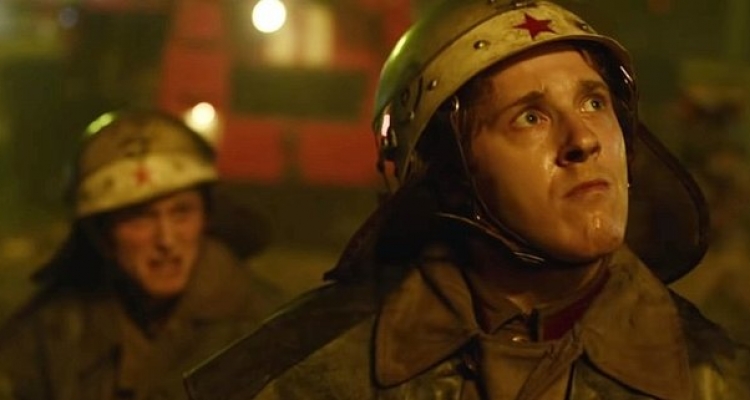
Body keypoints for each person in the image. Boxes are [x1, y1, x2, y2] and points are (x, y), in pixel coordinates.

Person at [185, 1, 750, 399]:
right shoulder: (304, 375)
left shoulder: (715, 378)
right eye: (530, 117)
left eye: (594, 102)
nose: (583, 140)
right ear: (450, 173)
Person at [0, 109, 282, 400]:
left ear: (205, 218)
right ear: (101, 234)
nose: (166, 240)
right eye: (140, 218)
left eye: (182, 212)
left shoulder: (271, 331)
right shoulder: (48, 332)